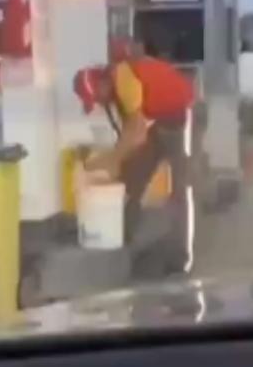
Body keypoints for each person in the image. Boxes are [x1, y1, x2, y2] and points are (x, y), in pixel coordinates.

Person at [73, 40, 195, 277]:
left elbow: (136, 133)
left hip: (182, 116)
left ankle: (180, 259)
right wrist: (117, 159)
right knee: (132, 176)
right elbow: (132, 133)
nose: (98, 103)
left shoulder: (123, 79)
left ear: (102, 82)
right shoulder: (116, 88)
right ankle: (124, 239)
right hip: (159, 120)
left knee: (180, 190)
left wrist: (109, 159)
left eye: (96, 97)